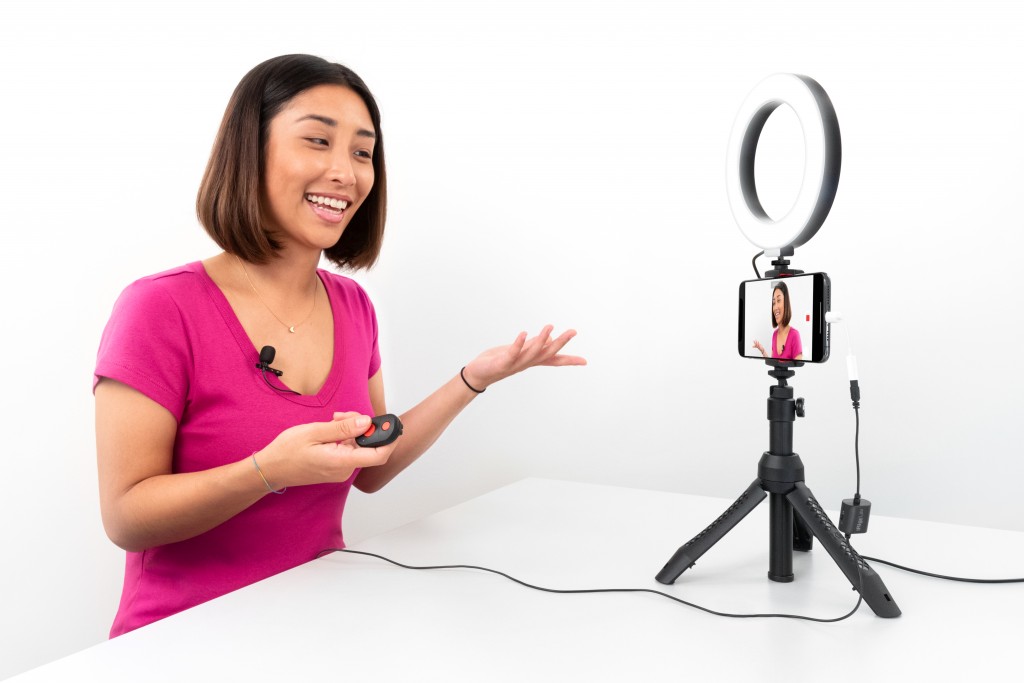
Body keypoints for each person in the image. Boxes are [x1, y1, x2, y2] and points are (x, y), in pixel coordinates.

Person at [93, 54, 585, 637]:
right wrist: (267, 471)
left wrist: (471, 379)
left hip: (321, 626)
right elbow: (126, 518)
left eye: (362, 152)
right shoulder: (160, 307)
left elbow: (370, 467)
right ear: (250, 151)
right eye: (318, 141)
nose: (345, 173)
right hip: (178, 641)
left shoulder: (352, 306)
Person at [751, 281, 802, 361]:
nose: (775, 307)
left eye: (778, 300)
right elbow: (773, 363)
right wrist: (763, 351)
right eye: (774, 303)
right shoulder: (774, 335)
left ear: (786, 303)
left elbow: (799, 366)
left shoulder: (794, 335)